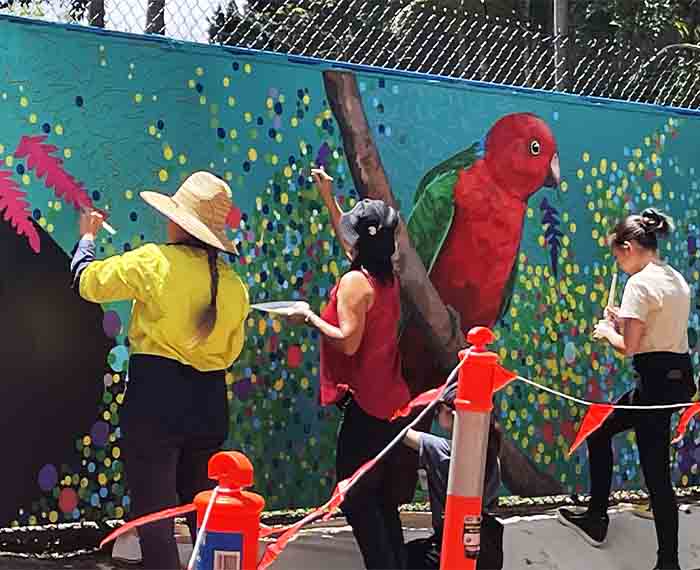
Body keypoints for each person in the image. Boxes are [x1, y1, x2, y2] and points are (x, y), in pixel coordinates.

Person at [71, 171, 250, 569]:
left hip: (157, 400)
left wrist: (87, 237)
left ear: (179, 221)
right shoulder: (235, 286)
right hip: (209, 404)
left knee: (155, 514)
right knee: (203, 516)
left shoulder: (155, 262)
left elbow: (89, 283)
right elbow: (232, 351)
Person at [557, 208, 696, 570]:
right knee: (602, 431)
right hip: (677, 379)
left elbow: (629, 348)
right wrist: (624, 318)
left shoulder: (638, 283)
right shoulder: (674, 278)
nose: (618, 263)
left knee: (656, 477)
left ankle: (666, 561)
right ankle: (597, 517)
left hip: (652, 386)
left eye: (617, 254)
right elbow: (656, 329)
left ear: (629, 246)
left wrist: (607, 332)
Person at [286, 169, 412, 569]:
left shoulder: (357, 283)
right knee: (380, 498)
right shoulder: (384, 277)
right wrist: (329, 199)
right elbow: (353, 245)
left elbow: (348, 339)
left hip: (367, 409)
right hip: (390, 402)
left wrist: (308, 317)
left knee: (355, 498)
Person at [402, 382, 504, 570]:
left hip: (452, 551)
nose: (436, 415)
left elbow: (401, 434)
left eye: (438, 410)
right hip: (488, 552)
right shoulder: (490, 456)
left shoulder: (443, 450)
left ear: (452, 414)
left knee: (402, 558)